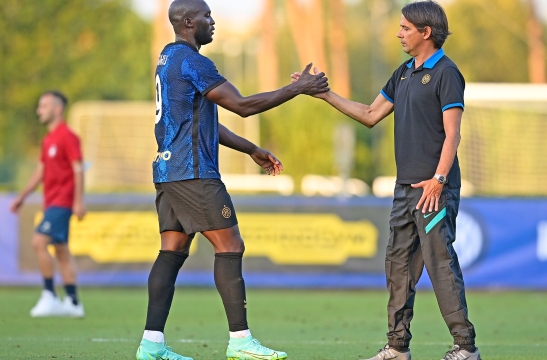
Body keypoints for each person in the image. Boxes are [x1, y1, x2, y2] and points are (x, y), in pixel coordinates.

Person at [136, 0, 329, 359]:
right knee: (230, 245)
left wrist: (251, 148)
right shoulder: (193, 61)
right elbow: (242, 105)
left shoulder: (167, 58)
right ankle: (240, 342)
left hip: (167, 171)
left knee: (172, 251)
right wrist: (297, 88)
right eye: (207, 16)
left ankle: (151, 345)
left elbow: (203, 121)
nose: (213, 21)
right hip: (193, 172)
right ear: (189, 21)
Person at [292, 1, 480, 359]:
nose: (399, 33)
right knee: (397, 267)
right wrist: (322, 93)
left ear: (426, 32)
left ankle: (465, 348)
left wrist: (439, 180)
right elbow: (369, 113)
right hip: (404, 189)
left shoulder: (446, 73)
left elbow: (452, 134)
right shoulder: (404, 72)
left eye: (406, 28)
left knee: (441, 265)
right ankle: (397, 348)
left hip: (433, 191)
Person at [9, 91, 86, 318]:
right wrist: (22, 197)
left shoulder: (68, 137)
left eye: (43, 106)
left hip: (63, 202)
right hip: (51, 201)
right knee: (61, 250)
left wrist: (79, 202)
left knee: (38, 241)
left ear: (57, 109)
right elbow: (40, 171)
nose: (38, 110)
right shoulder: (48, 140)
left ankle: (49, 294)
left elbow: (78, 170)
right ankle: (73, 302)